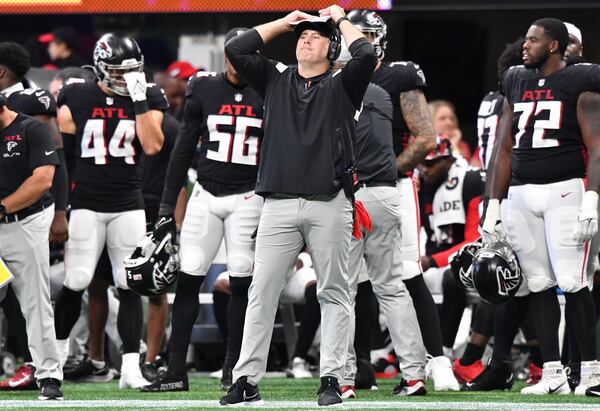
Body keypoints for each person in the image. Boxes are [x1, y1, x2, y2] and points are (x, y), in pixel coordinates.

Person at [219, 6, 377, 407]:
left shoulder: (344, 82)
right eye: (302, 35)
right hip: (278, 203)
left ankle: (332, 378)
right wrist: (284, 21)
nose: (306, 38)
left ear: (332, 46)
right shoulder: (275, 77)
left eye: (316, 35)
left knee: (336, 292)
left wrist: (340, 18)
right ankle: (246, 380)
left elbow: (366, 55)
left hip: (330, 200)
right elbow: (237, 48)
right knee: (261, 291)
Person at [142, 27, 265, 393]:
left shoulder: (271, 87)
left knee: (241, 280)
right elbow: (182, 148)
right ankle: (176, 369)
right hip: (207, 194)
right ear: (224, 55)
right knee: (190, 275)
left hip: (249, 196)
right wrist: (167, 204)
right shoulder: (203, 86)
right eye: (233, 53)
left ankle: (234, 368)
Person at [481, 18, 600, 396]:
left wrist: (592, 198)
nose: (524, 46)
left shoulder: (579, 79)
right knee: (538, 284)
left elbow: (596, 146)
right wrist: (493, 204)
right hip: (520, 193)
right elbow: (503, 147)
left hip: (565, 190)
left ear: (553, 45)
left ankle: (593, 373)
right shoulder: (515, 79)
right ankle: (553, 373)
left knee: (573, 281)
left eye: (533, 40)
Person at [347, 9, 459, 392]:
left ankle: (438, 361)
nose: (353, 40)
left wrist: (386, 171)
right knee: (354, 279)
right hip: (347, 188)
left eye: (361, 33)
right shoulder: (336, 78)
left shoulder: (398, 75)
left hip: (390, 187)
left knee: (406, 273)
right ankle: (360, 363)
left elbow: (426, 138)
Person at [52, 32, 167, 389]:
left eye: (132, 71)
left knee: (128, 283)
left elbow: (152, 145)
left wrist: (138, 101)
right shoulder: (76, 93)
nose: (125, 77)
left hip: (127, 203)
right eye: (118, 71)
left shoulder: (148, 95)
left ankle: (131, 369)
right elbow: (64, 157)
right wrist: (61, 207)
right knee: (78, 279)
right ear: (101, 68)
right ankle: (52, 364)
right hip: (86, 200)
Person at [331, 44, 429, 398]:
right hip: (387, 194)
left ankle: (342, 377)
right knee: (392, 286)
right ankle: (415, 374)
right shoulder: (381, 94)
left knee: (342, 290)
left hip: (350, 196)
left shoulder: (333, 88)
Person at [0, 41, 69, 390]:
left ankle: (48, 376)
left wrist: (1, 207)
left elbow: (43, 179)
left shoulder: (31, 129)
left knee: (35, 301)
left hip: (23, 224)